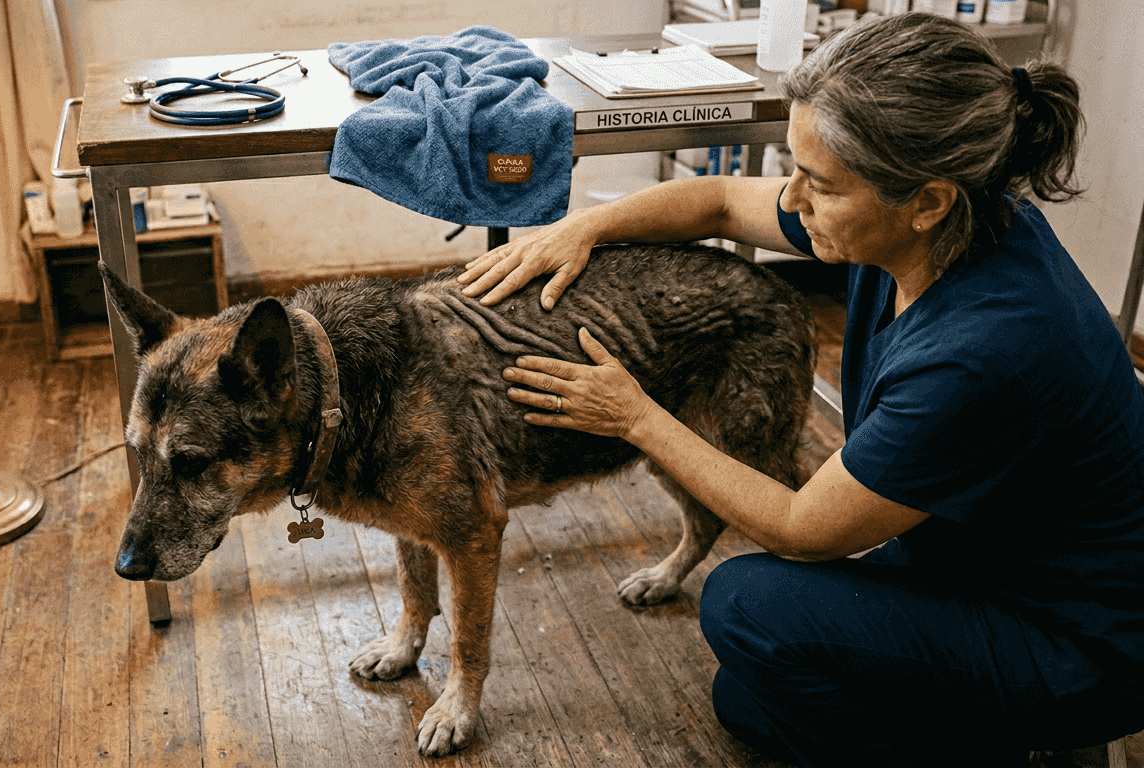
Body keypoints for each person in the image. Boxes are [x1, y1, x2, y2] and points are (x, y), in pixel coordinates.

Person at [456, 12, 1144, 767]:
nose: (793, 197)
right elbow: (719, 201)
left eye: (818, 183)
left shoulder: (982, 349)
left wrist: (637, 417)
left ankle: (1043, 738)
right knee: (748, 698)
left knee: (743, 605)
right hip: (977, 563)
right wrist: (580, 231)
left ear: (927, 201)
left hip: (1078, 639)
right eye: (794, 166)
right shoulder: (953, 225)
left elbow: (800, 527)